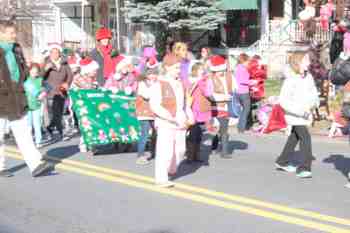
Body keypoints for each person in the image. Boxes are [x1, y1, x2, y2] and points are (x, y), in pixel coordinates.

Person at [0, 19, 53, 177]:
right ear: (1, 33)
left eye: (14, 32)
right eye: (10, 33)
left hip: (17, 97)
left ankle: (35, 165)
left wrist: (33, 87)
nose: (14, 35)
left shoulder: (16, 49)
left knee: (23, 133)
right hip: (1, 98)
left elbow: (23, 72)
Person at [149, 54, 193, 187]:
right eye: (175, 68)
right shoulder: (159, 84)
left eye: (179, 68)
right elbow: (155, 105)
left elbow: (185, 104)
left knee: (180, 150)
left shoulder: (180, 83)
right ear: (167, 68)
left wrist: (189, 116)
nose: (178, 71)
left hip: (180, 122)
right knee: (165, 151)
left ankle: (171, 169)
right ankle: (161, 177)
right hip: (166, 122)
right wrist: (169, 117)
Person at [275, 53, 319, 178]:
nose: (309, 63)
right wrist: (300, 112)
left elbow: (313, 92)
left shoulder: (308, 77)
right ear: (298, 63)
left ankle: (282, 161)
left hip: (305, 114)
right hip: (295, 115)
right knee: (305, 137)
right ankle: (304, 168)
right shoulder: (290, 80)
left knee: (295, 136)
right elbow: (283, 101)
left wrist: (315, 103)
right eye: (306, 60)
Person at [44, 42, 73, 141]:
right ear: (50, 53)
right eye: (52, 52)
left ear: (60, 53)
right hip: (51, 92)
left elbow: (70, 75)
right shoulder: (46, 62)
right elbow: (40, 77)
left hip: (62, 91)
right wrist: (45, 70)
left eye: (56, 52)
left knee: (60, 113)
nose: (54, 54)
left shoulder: (64, 63)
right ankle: (62, 133)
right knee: (56, 114)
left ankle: (50, 128)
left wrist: (67, 83)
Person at [186, 62, 213, 163]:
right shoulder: (197, 81)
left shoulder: (201, 81)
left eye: (203, 69)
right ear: (196, 71)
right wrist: (205, 81)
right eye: (201, 69)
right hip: (195, 111)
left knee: (198, 134)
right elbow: (207, 92)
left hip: (201, 110)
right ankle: (190, 156)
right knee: (194, 134)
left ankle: (195, 155)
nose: (203, 71)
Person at [208, 55, 233, 159]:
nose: (221, 72)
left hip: (225, 107)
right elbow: (210, 95)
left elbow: (233, 90)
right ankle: (220, 149)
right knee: (219, 129)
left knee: (223, 129)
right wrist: (225, 97)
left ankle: (220, 149)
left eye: (223, 70)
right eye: (219, 70)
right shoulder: (210, 79)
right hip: (214, 107)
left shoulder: (228, 78)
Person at [135, 63, 158, 165]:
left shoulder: (156, 83)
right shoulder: (142, 83)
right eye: (151, 73)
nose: (153, 75)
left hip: (154, 111)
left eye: (155, 73)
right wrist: (154, 88)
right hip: (144, 112)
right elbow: (146, 95)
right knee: (144, 133)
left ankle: (154, 152)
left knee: (156, 133)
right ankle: (140, 155)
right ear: (146, 74)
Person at [24, 63, 47, 148]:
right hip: (27, 105)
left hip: (37, 105)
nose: (34, 74)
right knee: (28, 125)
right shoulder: (26, 81)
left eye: (36, 72)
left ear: (38, 72)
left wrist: (43, 94)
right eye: (32, 72)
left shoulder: (40, 80)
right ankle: (29, 141)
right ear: (29, 71)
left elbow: (48, 88)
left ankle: (38, 141)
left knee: (37, 123)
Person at [235, 53, 251, 133]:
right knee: (246, 110)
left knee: (242, 110)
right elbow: (243, 81)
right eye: (248, 61)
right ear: (244, 60)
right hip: (244, 92)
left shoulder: (237, 68)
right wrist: (252, 82)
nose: (248, 63)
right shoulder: (243, 69)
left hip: (238, 92)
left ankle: (239, 126)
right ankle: (242, 128)